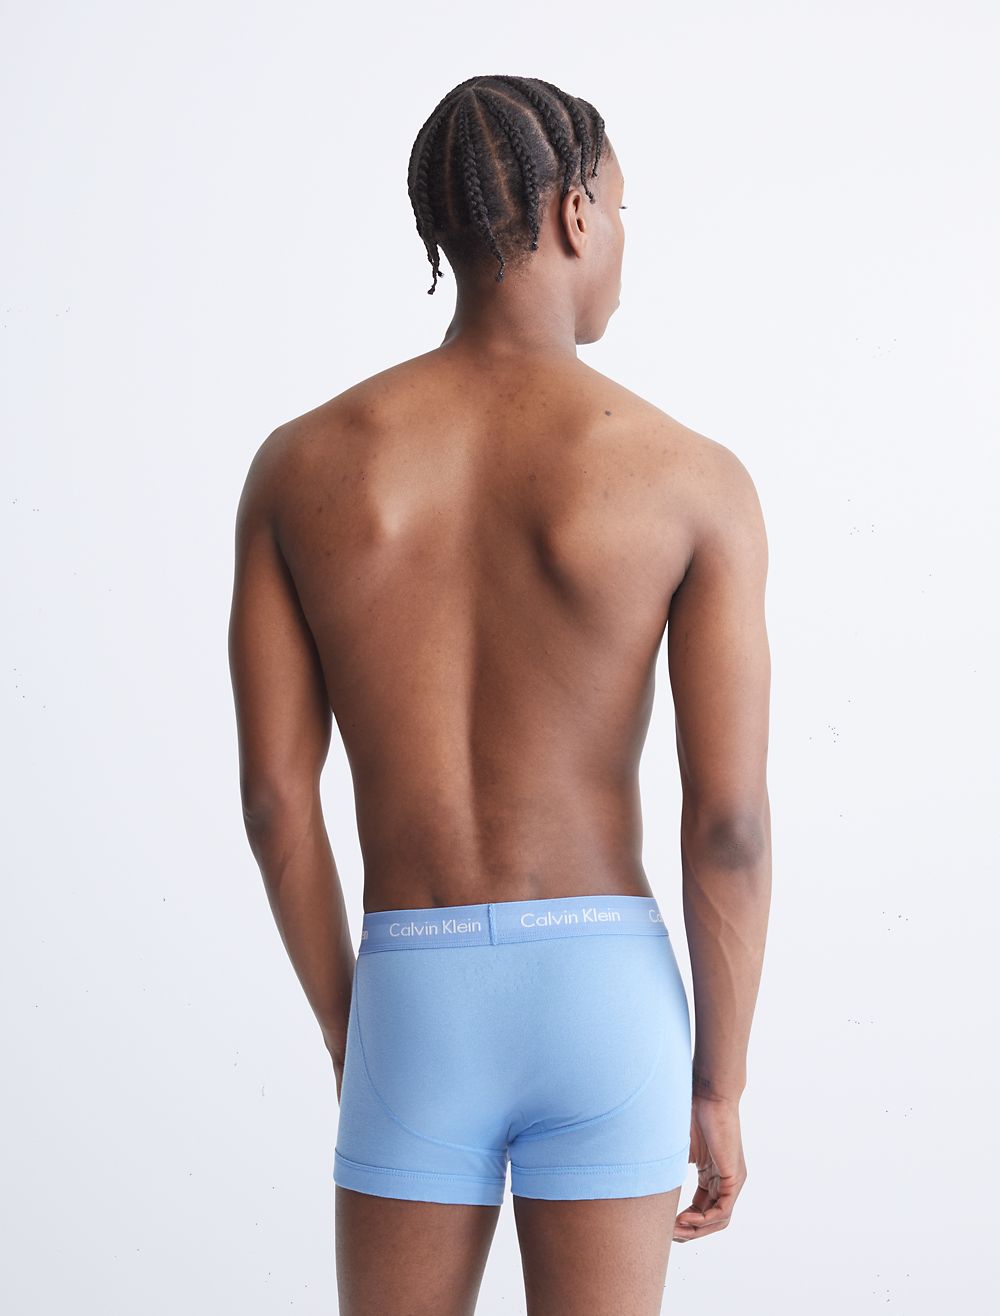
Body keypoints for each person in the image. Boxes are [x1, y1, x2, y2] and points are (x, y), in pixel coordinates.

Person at [228, 73, 771, 1316]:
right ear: (576, 213)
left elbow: (273, 801)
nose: (620, 235)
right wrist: (718, 1081)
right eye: (619, 207)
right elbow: (730, 824)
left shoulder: (301, 466)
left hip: (412, 987)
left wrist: (356, 1031)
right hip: (605, 993)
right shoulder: (690, 477)